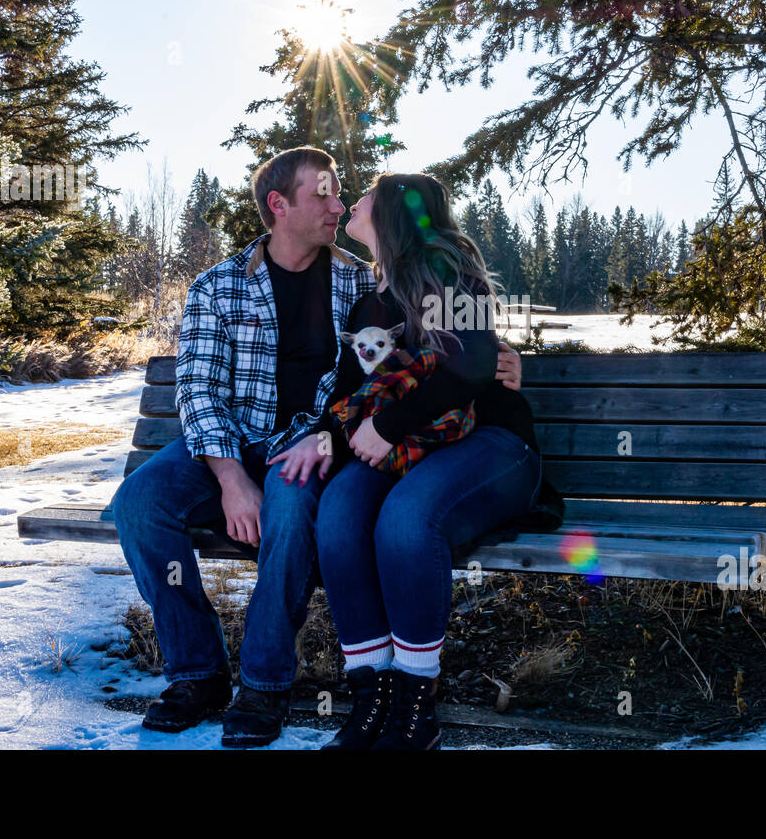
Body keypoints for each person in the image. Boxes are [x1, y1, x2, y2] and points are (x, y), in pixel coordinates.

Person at [110, 147, 526, 748]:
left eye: (342, 196)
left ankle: (263, 683)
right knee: (139, 505)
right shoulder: (218, 288)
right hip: (227, 442)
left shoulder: (359, 279)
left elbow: (436, 333)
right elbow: (197, 392)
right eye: (323, 195)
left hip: (306, 443)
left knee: (294, 507)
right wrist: (231, 479)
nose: (338, 205)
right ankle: (197, 672)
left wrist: (498, 359)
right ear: (279, 206)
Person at [305, 173, 542, 750]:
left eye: (363, 195)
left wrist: (385, 428)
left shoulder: (448, 274)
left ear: (389, 211)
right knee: (338, 511)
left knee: (407, 519)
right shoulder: (370, 300)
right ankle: (373, 698)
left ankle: (415, 707)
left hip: (492, 447)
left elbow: (470, 366)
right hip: (416, 450)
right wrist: (326, 440)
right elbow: (344, 393)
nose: (352, 201)